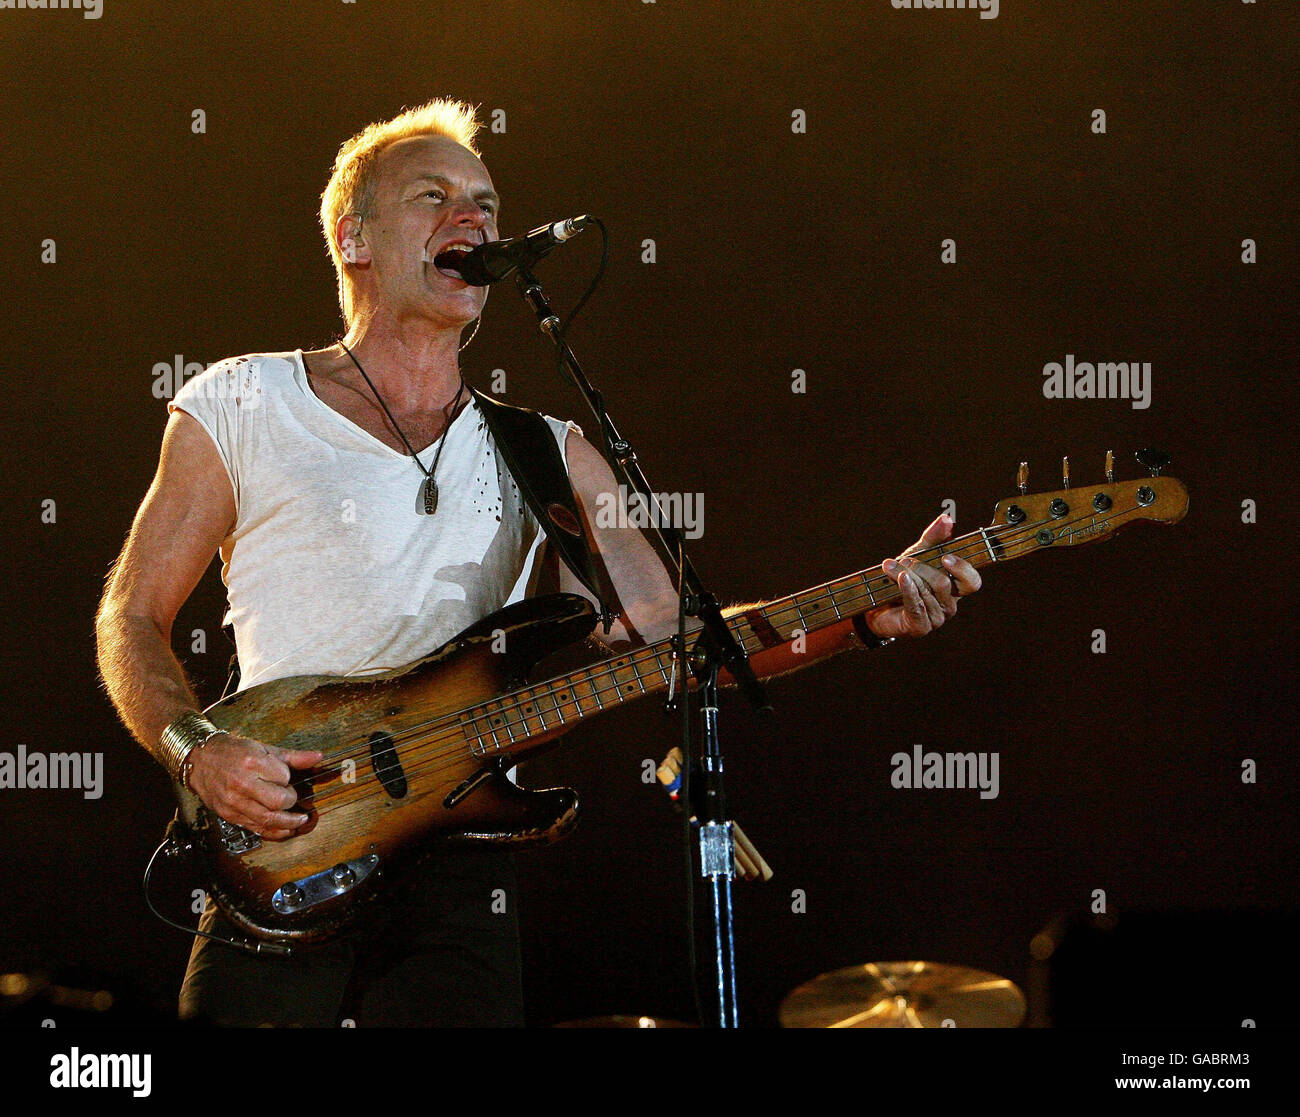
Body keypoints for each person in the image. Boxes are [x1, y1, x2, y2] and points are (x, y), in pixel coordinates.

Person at [94, 97, 982, 1027]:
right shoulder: (241, 401)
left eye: (485, 200)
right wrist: (196, 751)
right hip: (280, 843)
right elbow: (131, 614)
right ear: (354, 239)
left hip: (458, 868)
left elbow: (681, 642)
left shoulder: (545, 449)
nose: (472, 219)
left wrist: (867, 615)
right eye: (432, 196)